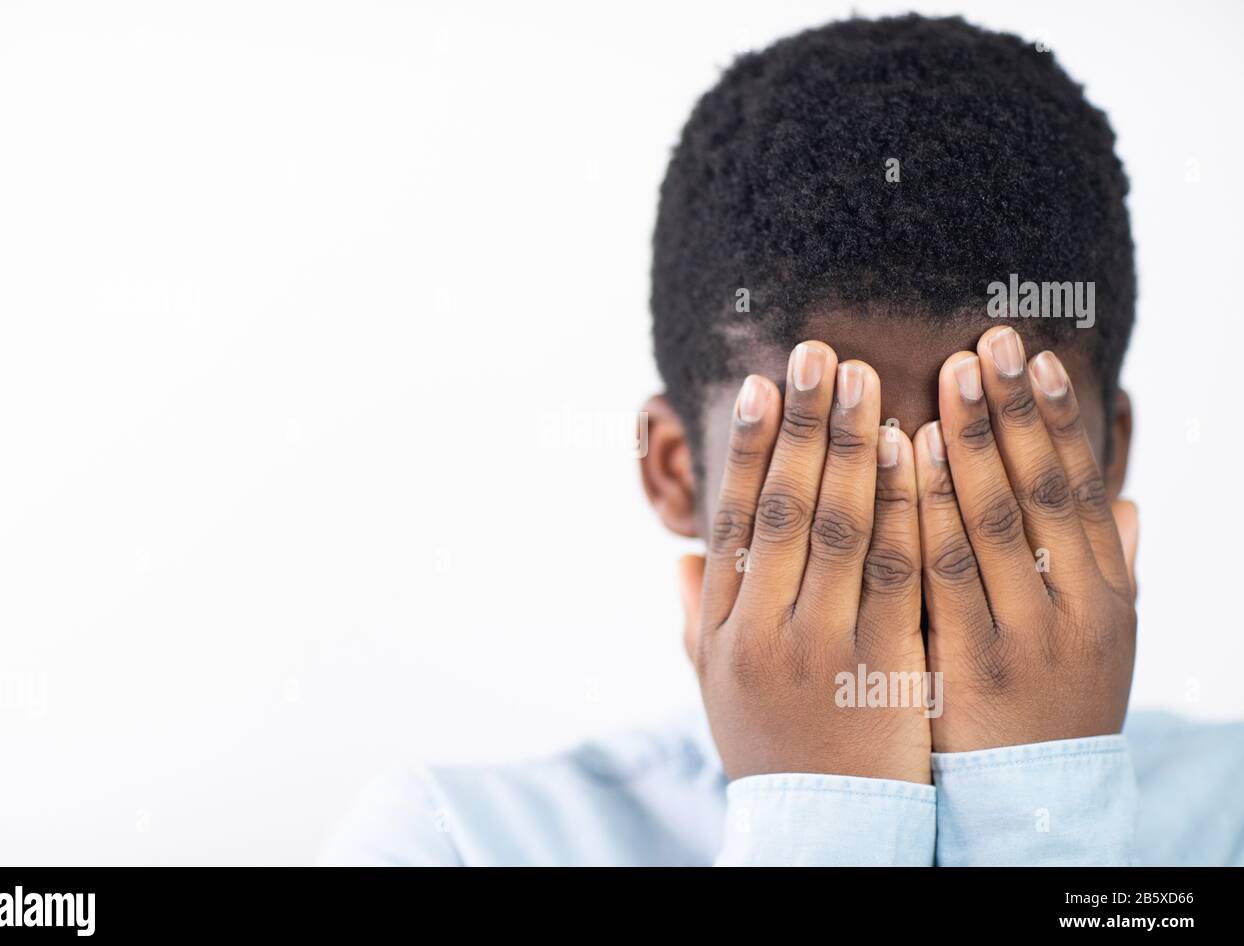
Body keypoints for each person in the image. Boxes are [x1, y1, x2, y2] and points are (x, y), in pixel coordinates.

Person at [323, 14, 1244, 866]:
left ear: (1103, 459)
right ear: (678, 472)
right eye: (834, 476)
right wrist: (821, 804)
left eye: (986, 469)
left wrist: (1045, 799)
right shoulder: (459, 843)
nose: (915, 559)